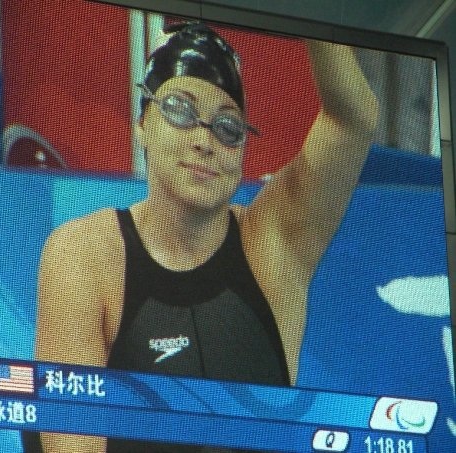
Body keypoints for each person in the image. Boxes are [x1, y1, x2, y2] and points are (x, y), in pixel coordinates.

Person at [31, 22, 378, 452]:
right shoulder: (85, 255)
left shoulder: (273, 246)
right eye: (180, 109)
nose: (204, 140)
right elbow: (72, 442)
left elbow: (353, 119)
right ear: (143, 123)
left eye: (228, 126)